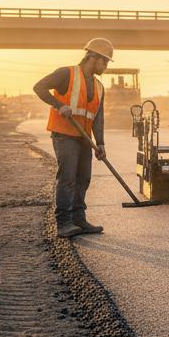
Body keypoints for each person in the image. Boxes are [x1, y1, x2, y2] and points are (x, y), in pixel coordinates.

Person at [33, 38, 113, 238]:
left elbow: (98, 118)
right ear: (92, 57)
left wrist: (100, 143)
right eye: (104, 61)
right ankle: (63, 223)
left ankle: (79, 219)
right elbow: (39, 87)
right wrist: (59, 105)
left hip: (84, 138)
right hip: (64, 135)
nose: (105, 66)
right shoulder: (66, 74)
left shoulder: (99, 87)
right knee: (67, 178)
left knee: (83, 178)